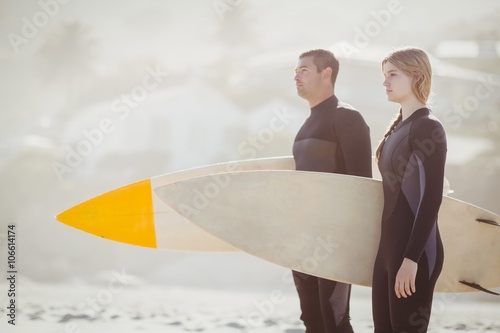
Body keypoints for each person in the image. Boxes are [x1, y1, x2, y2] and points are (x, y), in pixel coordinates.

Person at [292, 49, 372, 332]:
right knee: (311, 320)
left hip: (334, 242)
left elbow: (362, 186)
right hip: (303, 240)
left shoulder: (347, 118)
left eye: (304, 70)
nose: (296, 76)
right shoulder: (305, 125)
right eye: (296, 70)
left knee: (334, 318)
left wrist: (353, 242)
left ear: (327, 74)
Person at [372, 46, 447, 333]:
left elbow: (431, 198)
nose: (385, 82)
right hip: (388, 252)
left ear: (416, 76)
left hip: (416, 254)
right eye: (384, 75)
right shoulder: (397, 129)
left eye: (393, 74)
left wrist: (411, 259)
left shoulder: (428, 128)